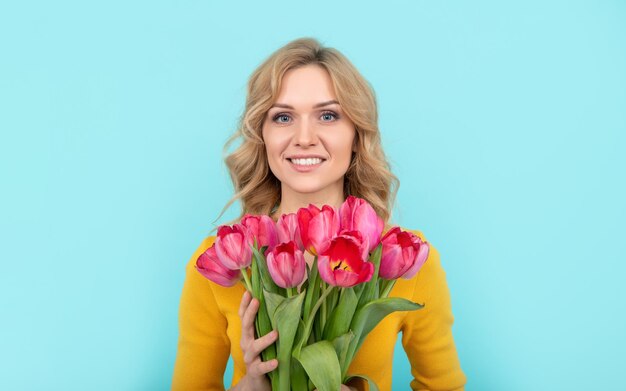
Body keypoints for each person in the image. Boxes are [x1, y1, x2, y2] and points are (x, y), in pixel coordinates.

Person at [171, 37, 466, 391]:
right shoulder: (219, 259)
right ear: (262, 136)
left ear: (356, 134)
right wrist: (251, 385)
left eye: (328, 115)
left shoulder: (405, 257)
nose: (304, 138)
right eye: (283, 117)